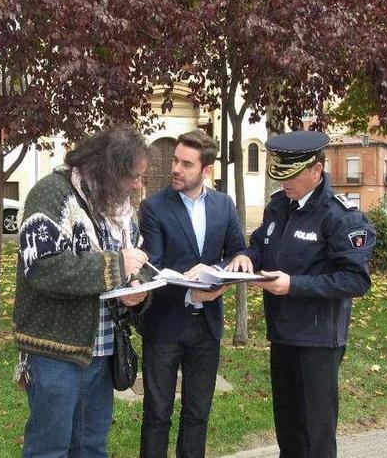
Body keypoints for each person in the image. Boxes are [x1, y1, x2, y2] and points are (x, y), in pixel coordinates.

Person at [227, 131, 375, 458]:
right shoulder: (279, 207)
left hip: (318, 341)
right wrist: (246, 258)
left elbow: (356, 280)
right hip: (282, 335)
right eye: (281, 175)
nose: (285, 184)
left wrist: (293, 285)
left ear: (316, 171)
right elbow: (260, 248)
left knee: (316, 435)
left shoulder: (339, 216)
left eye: (292, 175)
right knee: (289, 432)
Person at [13, 127, 151, 458]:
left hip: (101, 352)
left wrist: (138, 290)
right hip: (55, 351)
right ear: (108, 170)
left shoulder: (121, 209)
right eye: (133, 176)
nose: (138, 185)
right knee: (49, 450)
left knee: (90, 447)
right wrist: (117, 267)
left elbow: (138, 260)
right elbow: (43, 268)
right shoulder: (51, 194)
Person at [138, 130, 245, 458]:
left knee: (198, 414)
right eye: (175, 160)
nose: (176, 168)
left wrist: (225, 270)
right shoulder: (153, 207)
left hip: (207, 326)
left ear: (206, 170)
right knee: (157, 415)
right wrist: (189, 290)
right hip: (164, 324)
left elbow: (238, 251)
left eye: (186, 163)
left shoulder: (224, 205)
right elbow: (151, 267)